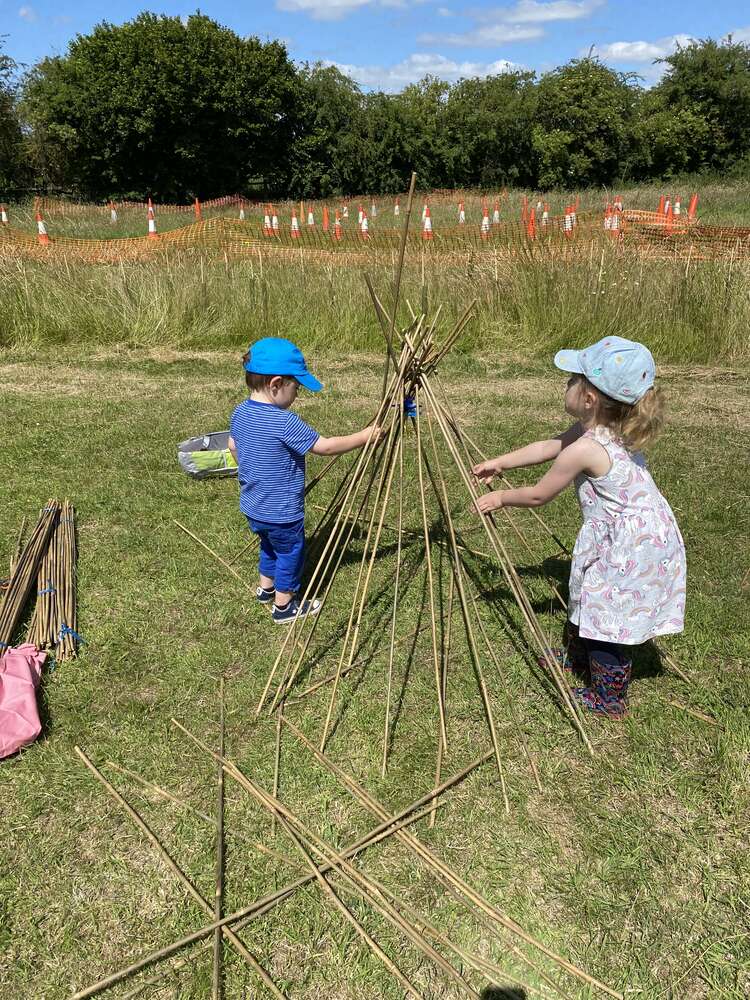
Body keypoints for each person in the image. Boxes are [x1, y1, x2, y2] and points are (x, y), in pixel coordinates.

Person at [472, 336, 686, 719]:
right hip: (636, 532)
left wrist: (501, 498)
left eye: (572, 379)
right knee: (588, 592)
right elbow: (547, 446)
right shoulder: (602, 430)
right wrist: (501, 462)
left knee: (607, 614)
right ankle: (577, 655)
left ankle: (609, 697)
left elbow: (539, 496)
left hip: (631, 545)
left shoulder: (586, 449)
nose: (566, 384)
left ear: (588, 398)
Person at [228, 337, 381, 625]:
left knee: (268, 545)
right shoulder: (284, 421)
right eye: (296, 388)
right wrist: (365, 436)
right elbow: (324, 447)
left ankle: (266, 588)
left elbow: (234, 447)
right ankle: (284, 606)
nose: (297, 395)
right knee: (289, 553)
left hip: (252, 504)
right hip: (282, 511)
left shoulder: (240, 412)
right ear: (275, 385)